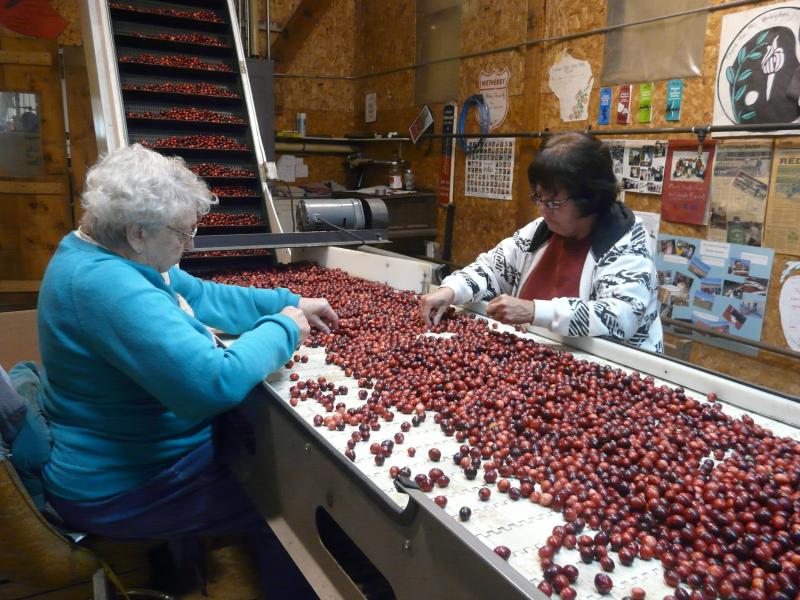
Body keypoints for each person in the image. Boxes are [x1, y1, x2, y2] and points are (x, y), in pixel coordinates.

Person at [37, 144, 337, 596]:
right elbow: (212, 383)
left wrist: (288, 301)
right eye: (182, 234)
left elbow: (199, 295)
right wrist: (284, 328)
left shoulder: (110, 251)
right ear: (138, 232)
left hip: (140, 459)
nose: (189, 245)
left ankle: (183, 563)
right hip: (125, 487)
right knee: (286, 506)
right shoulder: (106, 285)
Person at [420, 132, 663, 352]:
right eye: (538, 197)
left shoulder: (626, 244)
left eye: (554, 202)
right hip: (540, 360)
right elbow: (492, 269)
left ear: (590, 198)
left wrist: (534, 311)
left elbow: (619, 317)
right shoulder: (541, 232)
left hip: (616, 372)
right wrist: (451, 290)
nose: (543, 210)